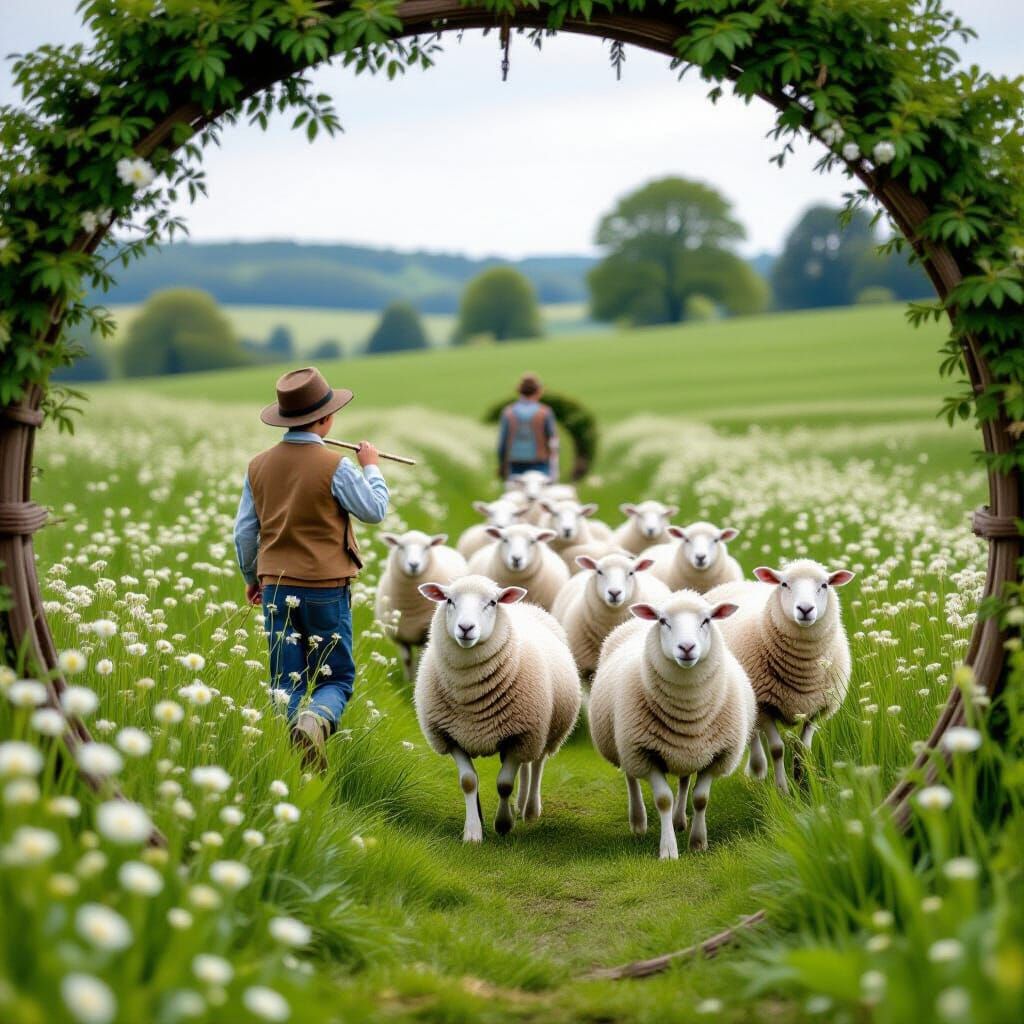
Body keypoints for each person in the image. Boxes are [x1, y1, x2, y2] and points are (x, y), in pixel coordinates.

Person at [233, 366, 389, 768]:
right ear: (325, 418)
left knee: (284, 681)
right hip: (326, 588)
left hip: (275, 587)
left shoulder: (258, 465)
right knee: (335, 678)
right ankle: (315, 722)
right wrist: (370, 466)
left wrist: (253, 578)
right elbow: (373, 511)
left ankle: (289, 760)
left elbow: (244, 534)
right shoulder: (335, 465)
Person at [496, 372, 559, 480]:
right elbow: (553, 440)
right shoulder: (545, 412)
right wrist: (554, 464)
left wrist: (502, 464)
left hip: (515, 462)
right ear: (538, 391)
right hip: (540, 462)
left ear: (519, 391)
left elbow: (502, 443)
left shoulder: (508, 412)